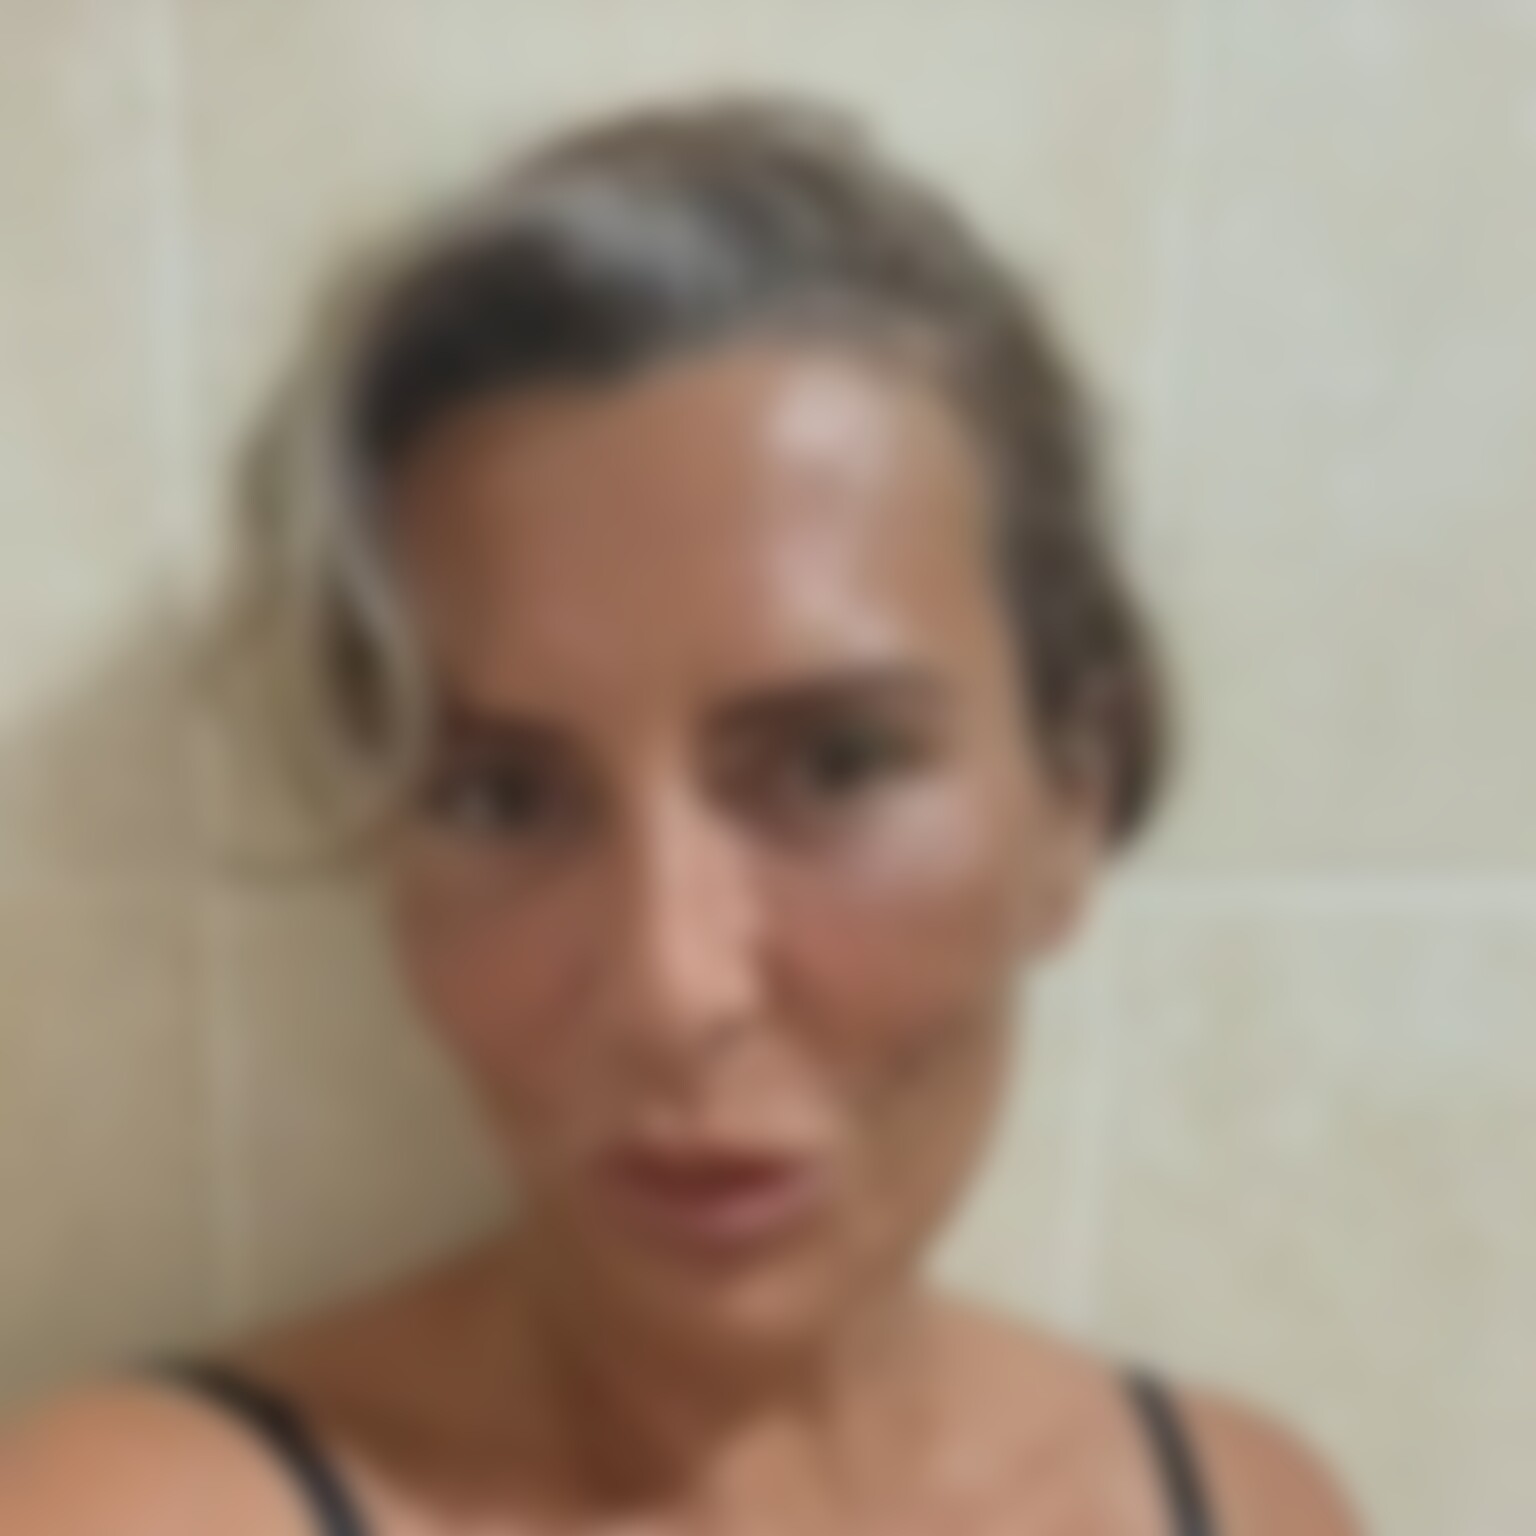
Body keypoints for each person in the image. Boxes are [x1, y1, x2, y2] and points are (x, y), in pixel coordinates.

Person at [0, 97, 1360, 1536]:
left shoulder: (1240, 1505)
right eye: (503, 795)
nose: (670, 995)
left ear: (1073, 806)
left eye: (835, 765)